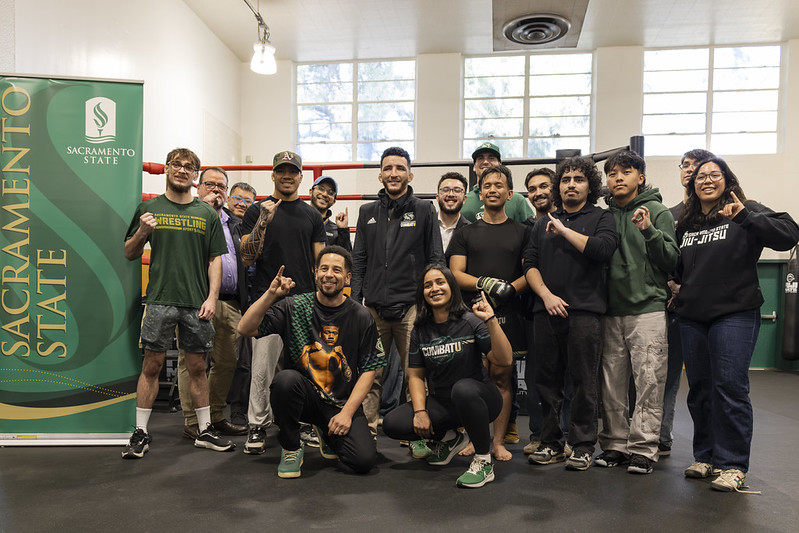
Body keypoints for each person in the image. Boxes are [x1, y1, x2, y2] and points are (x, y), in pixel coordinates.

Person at [675, 156, 798, 491]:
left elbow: (788, 234)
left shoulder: (747, 209)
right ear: (692, 184)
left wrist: (744, 216)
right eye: (700, 176)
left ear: (727, 179)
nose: (706, 180)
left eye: (715, 174)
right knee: (699, 388)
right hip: (692, 315)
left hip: (735, 313)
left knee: (729, 386)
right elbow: (678, 265)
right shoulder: (686, 222)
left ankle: (732, 464)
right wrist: (674, 283)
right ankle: (706, 456)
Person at [122, 148, 234, 458]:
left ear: (195, 175)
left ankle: (205, 430)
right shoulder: (149, 207)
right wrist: (143, 231)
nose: (182, 170)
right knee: (151, 365)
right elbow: (130, 253)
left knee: (198, 367)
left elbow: (215, 260)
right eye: (177, 164)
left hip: (195, 302)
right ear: (168, 169)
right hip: (160, 299)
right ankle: (141, 432)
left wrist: (212, 297)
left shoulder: (207, 214)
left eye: (189, 166)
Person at [238, 246, 386, 478]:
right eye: (324, 269)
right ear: (315, 272)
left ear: (347, 277)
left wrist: (347, 413)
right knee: (285, 380)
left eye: (337, 270)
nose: (329, 274)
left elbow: (369, 371)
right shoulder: (294, 306)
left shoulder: (361, 315)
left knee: (364, 461)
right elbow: (244, 328)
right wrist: (270, 295)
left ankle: (328, 433)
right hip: (303, 396)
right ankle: (291, 447)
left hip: (339, 403)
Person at [524, 156, 617, 471]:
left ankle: (582, 445)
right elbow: (530, 264)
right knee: (546, 381)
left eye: (578, 179)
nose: (571, 185)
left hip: (584, 313)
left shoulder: (602, 217)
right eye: (566, 180)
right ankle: (550, 442)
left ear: (589, 185)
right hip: (545, 310)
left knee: (582, 381)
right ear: (558, 186)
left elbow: (602, 250)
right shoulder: (541, 223)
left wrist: (563, 231)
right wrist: (547, 296)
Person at [382, 265, 512, 488]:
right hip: (444, 402)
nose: (434, 288)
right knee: (393, 424)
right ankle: (450, 439)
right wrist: (420, 412)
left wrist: (490, 320)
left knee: (463, 389)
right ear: (422, 293)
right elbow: (414, 375)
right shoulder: (420, 330)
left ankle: (483, 461)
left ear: (452, 286)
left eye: (440, 282)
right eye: (428, 285)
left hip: (481, 398)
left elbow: (505, 360)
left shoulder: (470, 321)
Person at [351, 146, 445, 436]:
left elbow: (435, 257)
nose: (394, 173)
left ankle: (415, 433)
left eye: (400, 168)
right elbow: (359, 259)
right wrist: (355, 301)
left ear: (409, 174)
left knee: (415, 373)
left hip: (412, 308)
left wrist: (431, 300)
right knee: (370, 374)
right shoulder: (367, 212)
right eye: (388, 168)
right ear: (380, 175)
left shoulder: (425, 209)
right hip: (373, 309)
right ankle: (366, 432)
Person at [595, 150, 679, 474]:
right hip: (610, 310)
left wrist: (648, 230)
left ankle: (643, 448)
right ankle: (615, 444)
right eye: (612, 173)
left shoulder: (656, 211)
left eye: (625, 172)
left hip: (647, 309)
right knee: (611, 383)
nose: (618, 178)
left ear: (640, 177)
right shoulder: (604, 216)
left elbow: (671, 260)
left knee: (648, 381)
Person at [239, 150, 326, 454]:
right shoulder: (255, 211)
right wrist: (263, 220)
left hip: (303, 300)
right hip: (268, 296)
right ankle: (258, 426)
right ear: (273, 175)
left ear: (301, 177)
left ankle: (300, 422)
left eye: (293, 171)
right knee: (262, 366)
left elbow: (321, 261)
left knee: (304, 367)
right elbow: (247, 255)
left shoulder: (312, 215)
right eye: (282, 171)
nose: (287, 176)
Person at [448, 164, 529, 461]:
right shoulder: (465, 232)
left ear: (510, 193)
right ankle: (474, 438)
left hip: (508, 313)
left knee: (502, 377)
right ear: (479, 193)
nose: (493, 189)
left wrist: (510, 289)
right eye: (487, 185)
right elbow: (455, 273)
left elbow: (529, 271)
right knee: (472, 378)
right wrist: (484, 282)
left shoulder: (523, 231)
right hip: (471, 314)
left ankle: (497, 441)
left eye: (499, 185)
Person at [176, 167, 249, 439]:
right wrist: (201, 213)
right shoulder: (186, 215)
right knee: (191, 362)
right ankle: (193, 422)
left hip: (230, 303)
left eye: (221, 186)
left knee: (227, 362)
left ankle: (215, 416)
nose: (216, 190)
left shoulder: (234, 223)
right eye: (210, 184)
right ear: (198, 186)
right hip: (196, 300)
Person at [659, 148, 714, 457]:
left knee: (708, 381)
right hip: (675, 308)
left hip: (713, 310)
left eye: (698, 165)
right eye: (686, 165)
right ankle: (662, 436)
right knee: (666, 376)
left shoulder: (722, 210)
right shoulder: (670, 214)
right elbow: (664, 259)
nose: (690, 170)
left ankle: (713, 449)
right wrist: (672, 286)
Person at [520, 167, 568, 456]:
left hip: (573, 307)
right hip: (535, 309)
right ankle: (540, 434)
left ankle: (571, 436)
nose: (538, 192)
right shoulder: (526, 227)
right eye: (533, 188)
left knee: (571, 377)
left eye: (544, 186)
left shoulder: (571, 221)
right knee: (539, 376)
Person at [460, 142, 533, 223]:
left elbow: (531, 231)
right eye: (480, 158)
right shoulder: (464, 201)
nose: (485, 162)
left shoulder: (517, 200)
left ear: (500, 164)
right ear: (474, 167)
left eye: (491, 158)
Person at [308, 175, 352, 251]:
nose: (325, 194)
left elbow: (345, 258)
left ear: (334, 201)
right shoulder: (298, 220)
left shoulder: (336, 231)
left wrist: (343, 230)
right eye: (321, 188)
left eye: (331, 192)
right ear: (310, 192)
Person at [436, 171, 469, 252]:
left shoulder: (470, 231)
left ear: (464, 199)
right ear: (437, 197)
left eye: (457, 190)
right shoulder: (425, 225)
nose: (451, 194)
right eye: (445, 190)